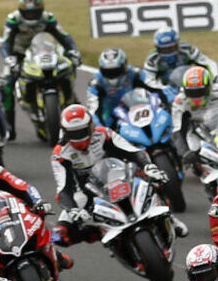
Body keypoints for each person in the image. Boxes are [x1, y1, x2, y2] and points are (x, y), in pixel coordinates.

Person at [49, 105, 185, 245]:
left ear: (90, 126)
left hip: (116, 175)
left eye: (82, 131)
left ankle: (169, 217)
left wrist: (148, 166)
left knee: (149, 177)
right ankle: (98, 233)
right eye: (73, 134)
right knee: (61, 236)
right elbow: (63, 189)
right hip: (86, 192)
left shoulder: (104, 134)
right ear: (64, 132)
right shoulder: (60, 154)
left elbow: (133, 151)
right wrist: (72, 210)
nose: (79, 138)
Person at [0, 0, 81, 103]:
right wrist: (9, 58)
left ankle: (71, 99)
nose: (31, 16)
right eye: (28, 13)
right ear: (21, 11)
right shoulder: (13, 20)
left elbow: (64, 37)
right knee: (7, 84)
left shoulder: (48, 18)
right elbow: (6, 42)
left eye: (34, 13)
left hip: (42, 51)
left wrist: (73, 51)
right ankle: (8, 118)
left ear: (41, 11)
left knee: (66, 69)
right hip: (19, 54)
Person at [84, 48, 168, 126]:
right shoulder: (96, 84)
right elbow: (93, 110)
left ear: (124, 66)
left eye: (117, 70)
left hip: (132, 105)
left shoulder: (134, 73)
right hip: (109, 110)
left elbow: (155, 86)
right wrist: (101, 128)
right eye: (108, 72)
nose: (113, 75)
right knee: (103, 123)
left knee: (154, 106)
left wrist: (168, 102)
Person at [141, 28, 218, 84]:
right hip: (166, 88)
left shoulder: (187, 49)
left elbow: (209, 63)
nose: (168, 52)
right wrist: (161, 89)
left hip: (191, 84)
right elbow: (148, 79)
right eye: (164, 50)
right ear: (157, 48)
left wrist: (216, 78)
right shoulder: (152, 59)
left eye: (171, 48)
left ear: (178, 44)